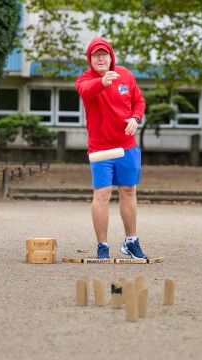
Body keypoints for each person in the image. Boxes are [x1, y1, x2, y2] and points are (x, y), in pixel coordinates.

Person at [75, 38, 148, 260]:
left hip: (127, 147)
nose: (100, 58)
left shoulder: (125, 75)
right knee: (102, 194)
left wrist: (136, 118)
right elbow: (86, 91)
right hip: (100, 150)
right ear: (90, 59)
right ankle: (102, 246)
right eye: (95, 55)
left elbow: (139, 101)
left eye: (104, 54)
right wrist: (103, 82)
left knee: (128, 191)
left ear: (111, 57)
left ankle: (130, 242)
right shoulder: (84, 80)